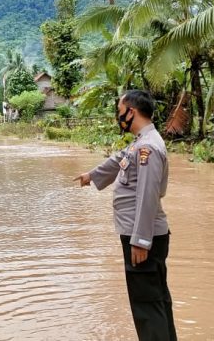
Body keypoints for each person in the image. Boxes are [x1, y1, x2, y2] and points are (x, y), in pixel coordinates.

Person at [73, 90, 176, 341]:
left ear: (132, 111)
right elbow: (119, 160)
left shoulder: (148, 148)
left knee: (146, 305)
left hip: (141, 238)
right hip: (142, 236)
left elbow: (147, 196)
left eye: (120, 111)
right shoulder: (141, 142)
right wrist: (93, 176)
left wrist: (140, 240)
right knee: (155, 300)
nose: (118, 117)